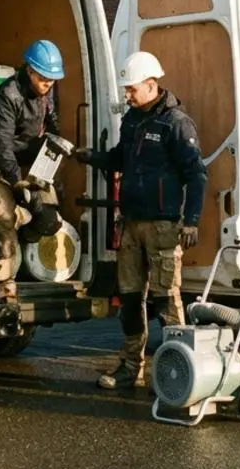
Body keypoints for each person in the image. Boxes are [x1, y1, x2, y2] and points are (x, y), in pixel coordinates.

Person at [72, 51, 206, 390]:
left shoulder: (176, 123)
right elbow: (120, 158)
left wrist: (190, 221)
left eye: (131, 89)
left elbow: (197, 175)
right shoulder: (132, 120)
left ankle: (182, 369)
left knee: (165, 300)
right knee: (130, 299)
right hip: (130, 223)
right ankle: (131, 367)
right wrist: (94, 158)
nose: (127, 95)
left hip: (163, 226)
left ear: (151, 85)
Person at [0, 39, 66, 304]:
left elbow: (52, 126)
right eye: (43, 78)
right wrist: (19, 183)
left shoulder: (48, 92)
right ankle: (4, 285)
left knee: (49, 221)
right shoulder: (6, 96)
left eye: (52, 78)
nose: (48, 83)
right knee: (4, 222)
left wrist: (54, 150)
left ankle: (22, 239)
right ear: (29, 70)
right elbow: (1, 147)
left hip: (29, 164)